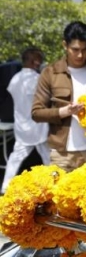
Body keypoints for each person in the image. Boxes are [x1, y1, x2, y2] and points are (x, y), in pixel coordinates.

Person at [32, 21, 86, 172]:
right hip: (62, 153)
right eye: (75, 49)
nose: (80, 55)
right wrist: (66, 111)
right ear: (65, 45)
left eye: (85, 50)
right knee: (59, 195)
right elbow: (36, 112)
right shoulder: (50, 73)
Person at [1, 48, 50, 194]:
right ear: (34, 61)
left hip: (22, 126)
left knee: (15, 157)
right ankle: (55, 184)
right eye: (39, 59)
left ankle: (5, 186)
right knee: (48, 156)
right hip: (38, 126)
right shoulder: (37, 80)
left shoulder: (15, 79)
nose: (41, 62)